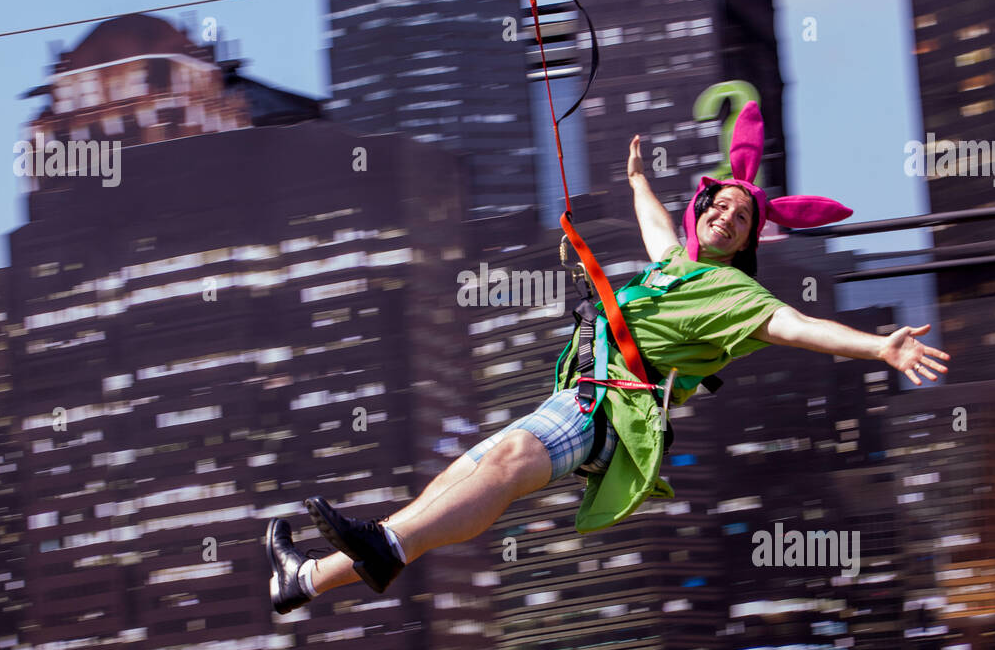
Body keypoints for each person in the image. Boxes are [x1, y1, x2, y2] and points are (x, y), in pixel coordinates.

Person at [265, 105, 949, 614]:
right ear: (701, 209)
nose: (728, 215)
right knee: (461, 476)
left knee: (498, 470)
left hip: (606, 412)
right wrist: (636, 182)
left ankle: (387, 547)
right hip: (582, 396)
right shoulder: (675, 268)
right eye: (721, 204)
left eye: (742, 218)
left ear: (747, 244)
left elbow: (794, 324)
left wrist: (876, 345)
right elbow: (659, 230)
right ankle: (305, 579)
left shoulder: (734, 292)